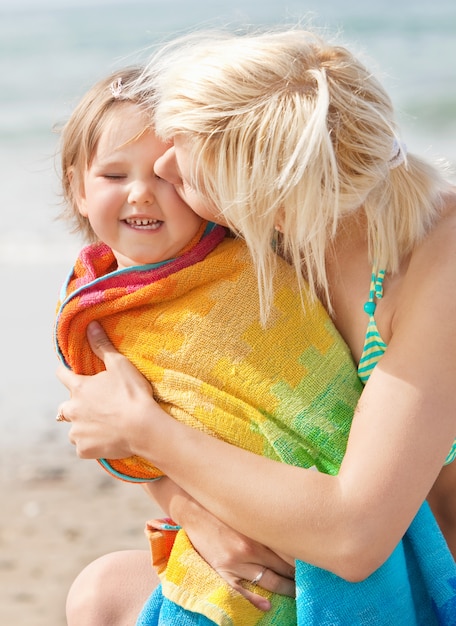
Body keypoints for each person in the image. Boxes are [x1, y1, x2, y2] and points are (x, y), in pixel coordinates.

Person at [56, 28, 456, 625]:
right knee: (100, 591)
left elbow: (354, 535)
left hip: (415, 587)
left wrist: (145, 430)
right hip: (311, 574)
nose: (163, 164)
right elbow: (178, 386)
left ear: (267, 187)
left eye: (185, 159)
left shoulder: (437, 269)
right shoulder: (267, 236)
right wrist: (194, 513)